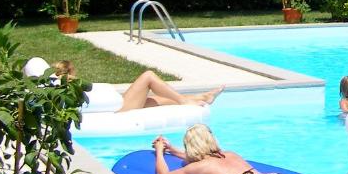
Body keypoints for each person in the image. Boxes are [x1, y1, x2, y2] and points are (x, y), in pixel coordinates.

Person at [152, 124, 314, 174]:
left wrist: (160, 151)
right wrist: (173, 150)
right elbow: (203, 156)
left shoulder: (200, 167)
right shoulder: (229, 154)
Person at [54, 60, 223, 113]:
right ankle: (184, 100)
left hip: (116, 104)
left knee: (152, 100)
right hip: (117, 108)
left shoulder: (60, 85)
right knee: (148, 76)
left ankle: (200, 97)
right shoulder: (68, 83)